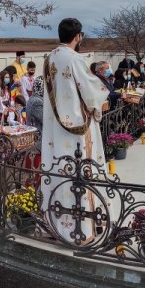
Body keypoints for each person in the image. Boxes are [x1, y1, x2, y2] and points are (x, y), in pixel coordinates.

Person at [43, 18, 111, 241]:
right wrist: (100, 103)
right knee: (81, 172)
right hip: (78, 130)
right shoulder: (75, 59)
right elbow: (91, 92)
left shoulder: (49, 57)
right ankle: (84, 228)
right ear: (78, 36)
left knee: (60, 169)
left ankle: (58, 223)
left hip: (56, 128)